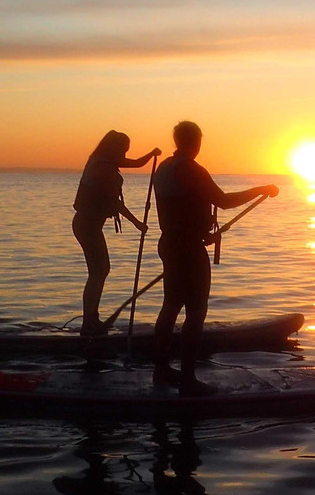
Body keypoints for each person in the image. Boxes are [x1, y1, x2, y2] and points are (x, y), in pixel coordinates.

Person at [152, 121, 278, 395]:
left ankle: (160, 371)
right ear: (196, 142)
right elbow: (222, 200)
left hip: (170, 243)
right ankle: (187, 380)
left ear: (176, 140)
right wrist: (260, 189)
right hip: (187, 249)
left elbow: (180, 208)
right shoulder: (191, 169)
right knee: (196, 312)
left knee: (171, 306)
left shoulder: (163, 169)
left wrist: (200, 229)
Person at [73, 131, 160, 336]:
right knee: (98, 272)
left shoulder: (105, 161)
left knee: (101, 270)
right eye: (123, 149)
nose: (125, 153)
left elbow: (138, 163)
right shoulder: (102, 168)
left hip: (90, 225)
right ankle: (89, 323)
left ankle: (92, 318)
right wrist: (138, 223)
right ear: (113, 148)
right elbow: (115, 203)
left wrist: (152, 154)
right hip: (87, 225)